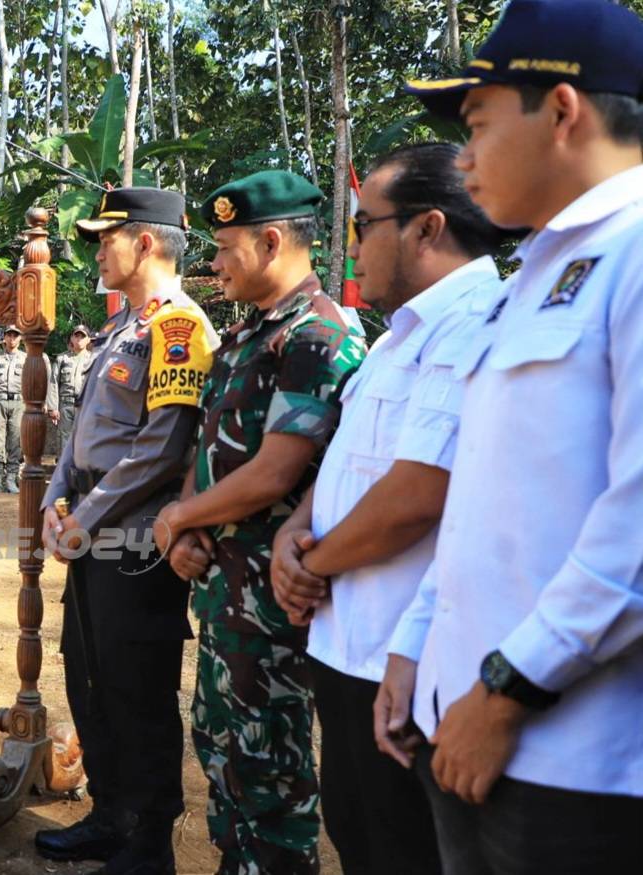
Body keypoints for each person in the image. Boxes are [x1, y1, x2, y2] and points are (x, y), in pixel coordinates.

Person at [383, 4, 643, 869]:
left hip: (572, 761)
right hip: (463, 722)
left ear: (561, 110)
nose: (462, 159)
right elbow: (483, 500)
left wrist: (505, 689)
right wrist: (416, 642)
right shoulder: (532, 274)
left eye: (477, 124)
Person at [269, 143, 506, 875]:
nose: (351, 244)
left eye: (363, 223)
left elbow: (415, 496)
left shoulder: (473, 324)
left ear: (426, 228)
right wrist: (294, 525)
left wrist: (309, 562)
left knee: (403, 851)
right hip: (347, 644)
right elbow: (347, 461)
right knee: (358, 834)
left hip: (407, 665)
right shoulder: (396, 338)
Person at [155, 170, 365, 875]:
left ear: (271, 240)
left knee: (268, 769)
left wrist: (181, 515)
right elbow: (210, 449)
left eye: (223, 248)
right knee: (220, 749)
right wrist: (186, 530)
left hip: (275, 603)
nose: (212, 265)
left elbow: (276, 471)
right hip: (224, 589)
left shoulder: (315, 336)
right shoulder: (246, 337)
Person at [38, 187, 218, 875]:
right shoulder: (123, 329)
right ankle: (109, 816)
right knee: (90, 681)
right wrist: (59, 502)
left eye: (103, 237)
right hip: (93, 538)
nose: (95, 250)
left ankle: (147, 844)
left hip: (134, 545)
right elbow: (83, 437)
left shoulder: (178, 327)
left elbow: (162, 446)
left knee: (137, 695)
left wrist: (83, 518)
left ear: (144, 242)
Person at [0, 327, 57, 494]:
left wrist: (41, 403)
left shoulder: (26, 359)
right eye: (8, 335)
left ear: (20, 339)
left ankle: (11, 478)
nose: (12, 339)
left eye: (15, 336)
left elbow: (36, 381)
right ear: (4, 338)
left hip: (19, 402)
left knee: (16, 441)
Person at [51, 325, 92, 459]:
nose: (79, 339)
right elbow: (53, 382)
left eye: (82, 336)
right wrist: (53, 407)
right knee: (65, 439)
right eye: (76, 336)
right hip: (65, 404)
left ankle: (81, 474)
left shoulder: (93, 359)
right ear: (72, 338)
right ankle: (64, 473)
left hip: (85, 405)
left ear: (88, 340)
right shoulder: (62, 359)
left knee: (85, 438)